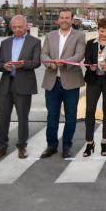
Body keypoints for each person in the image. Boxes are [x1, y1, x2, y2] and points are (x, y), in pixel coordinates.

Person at [0, 15, 41, 160]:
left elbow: (36, 62)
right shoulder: (5, 43)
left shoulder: (34, 42)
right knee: (2, 117)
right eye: (14, 27)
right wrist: (4, 66)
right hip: (7, 84)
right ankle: (1, 146)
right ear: (11, 27)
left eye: (20, 26)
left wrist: (23, 64)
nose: (17, 29)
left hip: (24, 85)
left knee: (23, 117)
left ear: (26, 26)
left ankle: (22, 146)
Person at [40, 8, 86, 159]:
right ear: (58, 20)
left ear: (72, 20)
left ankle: (67, 146)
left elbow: (79, 54)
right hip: (52, 81)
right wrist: (50, 64)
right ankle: (51, 146)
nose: (64, 20)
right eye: (62, 17)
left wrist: (64, 62)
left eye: (67, 18)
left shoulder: (79, 35)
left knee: (71, 116)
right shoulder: (50, 35)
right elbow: (43, 54)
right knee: (52, 115)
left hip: (71, 82)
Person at [82, 17, 106, 157]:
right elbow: (87, 60)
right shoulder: (90, 43)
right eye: (102, 31)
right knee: (89, 110)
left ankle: (104, 141)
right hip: (93, 80)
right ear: (98, 30)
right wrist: (91, 67)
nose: (104, 34)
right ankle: (89, 142)